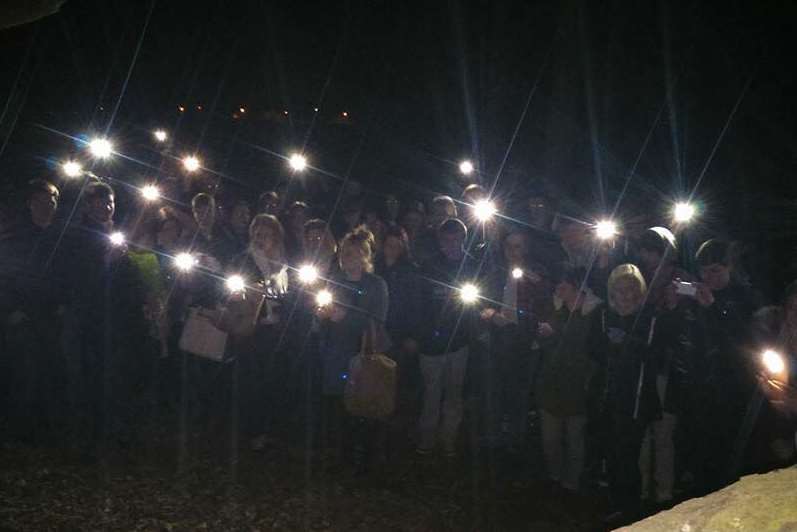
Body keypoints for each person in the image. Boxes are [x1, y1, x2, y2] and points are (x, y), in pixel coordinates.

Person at [59, 182, 148, 459]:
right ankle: (87, 438)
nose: (107, 207)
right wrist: (106, 263)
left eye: (110, 202)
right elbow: (76, 279)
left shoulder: (116, 235)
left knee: (114, 374)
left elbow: (129, 276)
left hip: (117, 317)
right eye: (100, 202)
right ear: (88, 205)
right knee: (89, 375)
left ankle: (112, 432)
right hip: (89, 318)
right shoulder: (77, 236)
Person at [686, 239, 763, 493]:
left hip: (735, 390)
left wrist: (714, 308)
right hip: (702, 388)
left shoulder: (746, 297)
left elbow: (745, 342)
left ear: (730, 267)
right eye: (704, 271)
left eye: (716, 270)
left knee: (732, 458)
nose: (709, 277)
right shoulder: (697, 298)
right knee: (702, 455)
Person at [591, 264, 662, 523]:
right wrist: (609, 345)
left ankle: (631, 508)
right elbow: (593, 351)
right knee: (611, 451)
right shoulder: (603, 315)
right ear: (612, 292)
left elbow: (656, 355)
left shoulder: (649, 317)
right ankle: (615, 503)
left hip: (636, 399)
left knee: (628, 455)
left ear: (639, 290)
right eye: (620, 290)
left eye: (631, 289)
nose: (626, 295)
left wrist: (627, 343)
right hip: (608, 396)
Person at [315, 227, 389, 472]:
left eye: (355, 253)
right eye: (345, 252)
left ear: (366, 256)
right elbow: (319, 313)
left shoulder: (376, 285)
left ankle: (367, 458)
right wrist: (321, 316)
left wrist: (344, 317)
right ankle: (341, 455)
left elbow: (377, 320)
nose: (349, 258)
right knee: (337, 405)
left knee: (364, 405)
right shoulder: (333, 281)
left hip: (363, 353)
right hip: (335, 353)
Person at [0, 179, 62, 442]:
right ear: (30, 203)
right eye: (41, 200)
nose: (46, 205)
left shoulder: (61, 238)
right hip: (23, 315)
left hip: (54, 315)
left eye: (51, 200)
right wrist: (11, 310)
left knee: (50, 369)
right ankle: (20, 428)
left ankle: (46, 426)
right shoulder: (15, 237)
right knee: (24, 371)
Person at [479, 230, 553, 450]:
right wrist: (492, 315)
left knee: (518, 396)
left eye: (517, 246)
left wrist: (538, 283)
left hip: (524, 343)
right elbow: (480, 299)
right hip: (497, 339)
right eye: (508, 246)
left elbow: (547, 303)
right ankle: (493, 443)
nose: (512, 251)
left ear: (526, 248)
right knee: (494, 393)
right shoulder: (496, 271)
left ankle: (515, 445)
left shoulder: (537, 273)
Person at [228, 214, 293, 451]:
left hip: (277, 330)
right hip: (253, 328)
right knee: (251, 380)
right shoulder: (242, 260)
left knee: (272, 379)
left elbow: (290, 296)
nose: (260, 238)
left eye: (266, 234)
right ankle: (251, 432)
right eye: (257, 233)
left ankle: (269, 429)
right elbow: (233, 291)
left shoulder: (284, 264)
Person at [417, 218, 480, 457]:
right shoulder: (429, 266)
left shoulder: (471, 266)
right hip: (431, 344)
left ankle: (449, 440)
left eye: (455, 239)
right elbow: (419, 304)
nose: (450, 244)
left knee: (454, 393)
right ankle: (427, 438)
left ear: (463, 239)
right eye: (446, 239)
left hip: (459, 342)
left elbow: (477, 301)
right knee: (431, 394)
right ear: (440, 240)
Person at [536, 267, 602, 493]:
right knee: (550, 439)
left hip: (578, 386)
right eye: (557, 286)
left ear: (577, 286)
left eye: (563, 286)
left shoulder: (594, 312)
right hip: (551, 384)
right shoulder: (554, 308)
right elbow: (543, 346)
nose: (558, 290)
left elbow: (592, 350)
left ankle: (572, 481)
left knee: (575, 439)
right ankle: (555, 476)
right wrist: (545, 336)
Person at [375, 224, 424, 418]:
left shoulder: (410, 271)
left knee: (398, 381)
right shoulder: (375, 268)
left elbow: (416, 306)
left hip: (400, 334)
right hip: (378, 331)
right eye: (389, 245)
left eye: (397, 246)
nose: (392, 250)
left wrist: (412, 336)